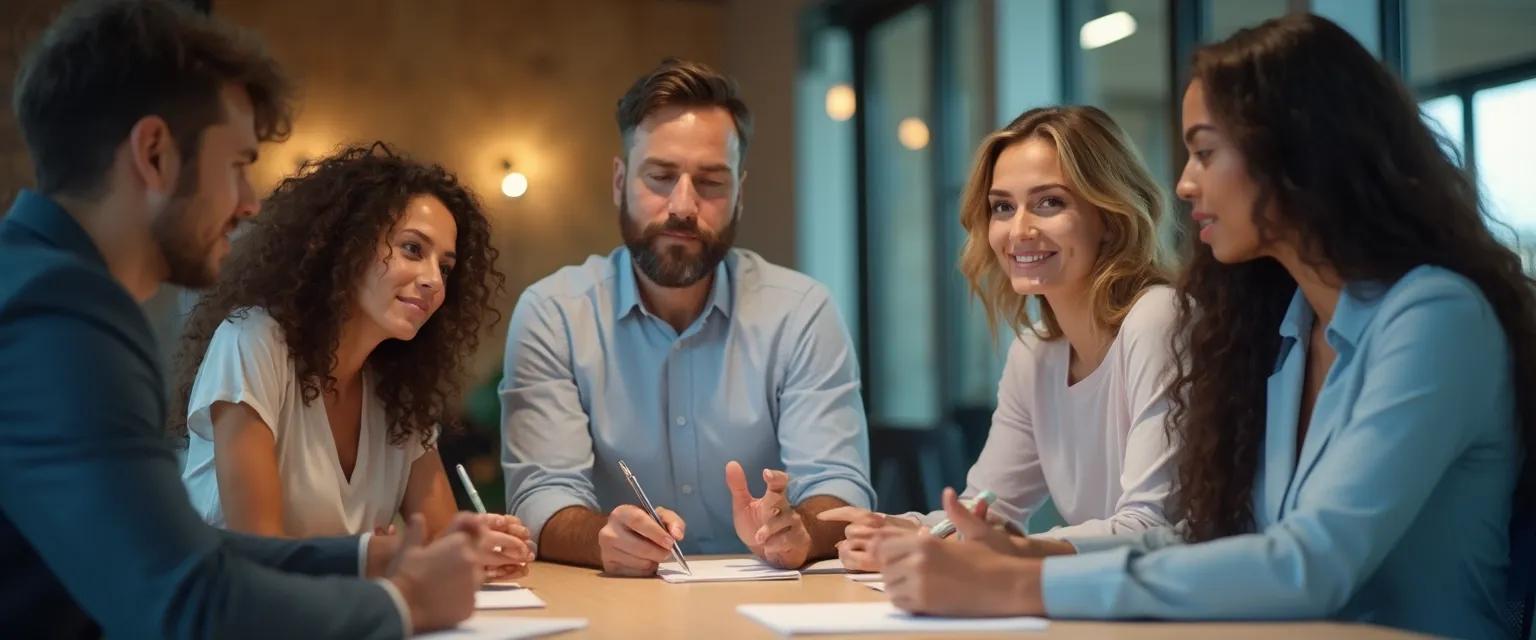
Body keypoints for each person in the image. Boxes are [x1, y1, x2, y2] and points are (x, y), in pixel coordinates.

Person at [874, 14, 1534, 639]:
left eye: (1205, 152)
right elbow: (1212, 539)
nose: (1185, 185)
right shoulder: (1282, 333)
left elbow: (1310, 565)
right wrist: (1017, 556)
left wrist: (1024, 583)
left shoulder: (1435, 319)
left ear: (1297, 155)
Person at [0, 1, 489, 636]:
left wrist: (368, 554)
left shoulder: (39, 283)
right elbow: (188, 600)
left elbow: (185, 552)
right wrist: (402, 607)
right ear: (154, 154)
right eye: (236, 166)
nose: (249, 203)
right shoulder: (61, 314)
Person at [500, 58, 874, 575]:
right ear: (619, 181)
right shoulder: (554, 314)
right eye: (660, 176)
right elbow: (542, 496)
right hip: (617, 606)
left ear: (739, 192)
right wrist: (600, 538)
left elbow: (839, 484)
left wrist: (803, 531)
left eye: (711, 183)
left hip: (776, 601)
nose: (683, 204)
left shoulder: (801, 312)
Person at [819, 106, 1179, 570]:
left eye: (1050, 202)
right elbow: (990, 509)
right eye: (1002, 207)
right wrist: (904, 529)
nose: (1019, 230)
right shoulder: (1035, 354)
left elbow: (1150, 528)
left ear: (1109, 215)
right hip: (1111, 601)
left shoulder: (1158, 318)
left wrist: (1011, 548)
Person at [172, 143, 532, 580]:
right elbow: (260, 551)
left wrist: (475, 545)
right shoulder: (253, 341)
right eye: (413, 249)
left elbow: (438, 542)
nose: (434, 281)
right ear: (347, 245)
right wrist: (381, 556)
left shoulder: (399, 388)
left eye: (446, 266)